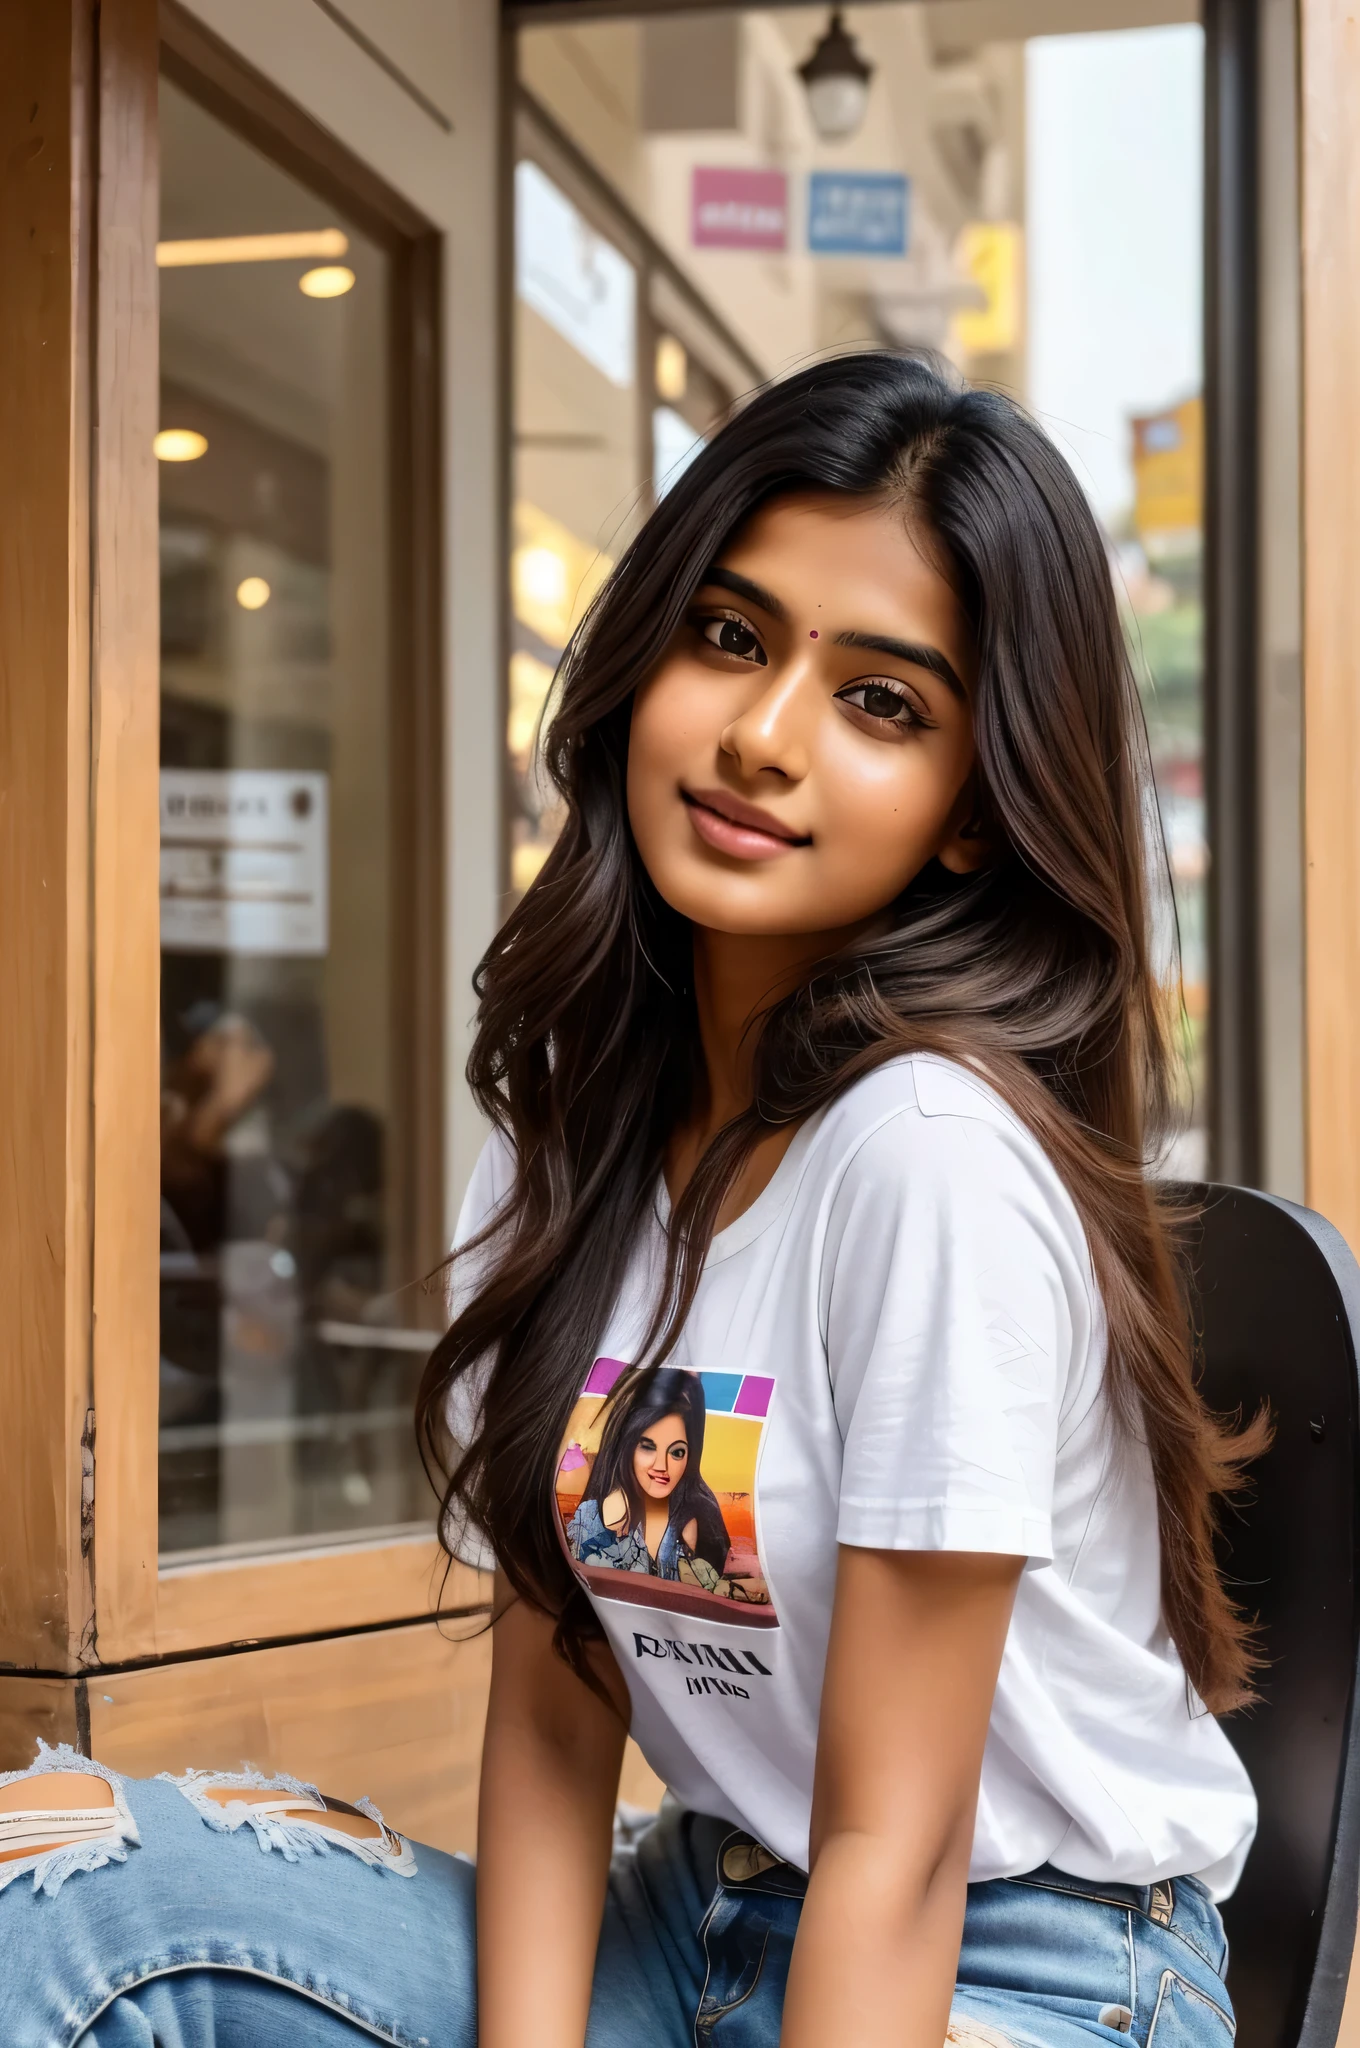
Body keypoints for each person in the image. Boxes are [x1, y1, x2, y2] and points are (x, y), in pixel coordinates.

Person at [1, 352, 1262, 2048]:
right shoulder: (566, 1126)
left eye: (882, 702)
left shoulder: (928, 1159)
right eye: (732, 636)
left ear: (974, 811)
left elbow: (901, 1849)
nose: (761, 733)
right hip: (689, 1911)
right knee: (73, 1900)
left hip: (1015, 1964)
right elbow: (549, 1718)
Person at [565, 1365, 735, 1588]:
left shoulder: (702, 1517)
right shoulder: (595, 1514)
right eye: (647, 1447)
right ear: (627, 1445)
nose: (661, 1466)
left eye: (677, 1452)